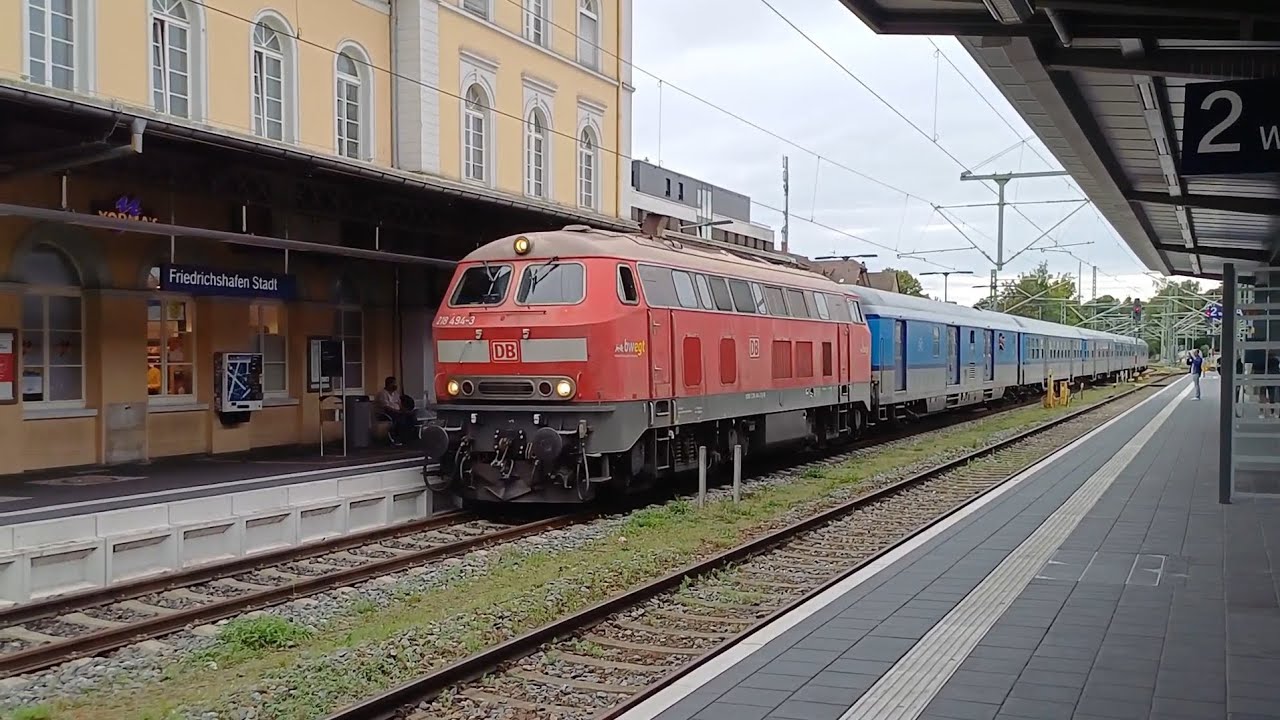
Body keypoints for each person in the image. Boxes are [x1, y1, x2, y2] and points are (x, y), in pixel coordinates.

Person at [375, 376, 415, 446]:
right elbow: (386, 407)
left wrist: (405, 411)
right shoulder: (382, 394)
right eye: (394, 384)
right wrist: (398, 412)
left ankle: (409, 437)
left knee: (411, 417)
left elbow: (399, 404)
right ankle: (397, 438)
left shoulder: (395, 393)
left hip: (397, 412)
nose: (395, 386)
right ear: (388, 384)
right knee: (400, 419)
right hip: (386, 413)